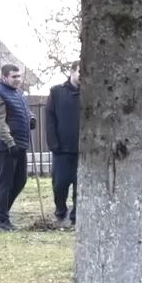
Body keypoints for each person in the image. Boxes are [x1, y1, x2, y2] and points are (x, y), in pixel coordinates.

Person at [0, 64, 34, 231]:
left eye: (19, 76)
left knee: (20, 180)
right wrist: (9, 142)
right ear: (4, 77)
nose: (18, 79)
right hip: (5, 146)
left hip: (20, 144)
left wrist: (31, 117)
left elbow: (24, 111)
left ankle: (0, 213)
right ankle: (1, 219)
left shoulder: (17, 93)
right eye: (14, 77)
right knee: (5, 182)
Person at [46, 62, 81, 226]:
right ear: (72, 72)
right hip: (62, 149)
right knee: (60, 184)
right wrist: (53, 143)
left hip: (83, 150)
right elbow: (50, 119)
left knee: (79, 187)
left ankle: (76, 216)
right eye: (81, 71)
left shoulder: (91, 93)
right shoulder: (57, 92)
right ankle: (61, 211)